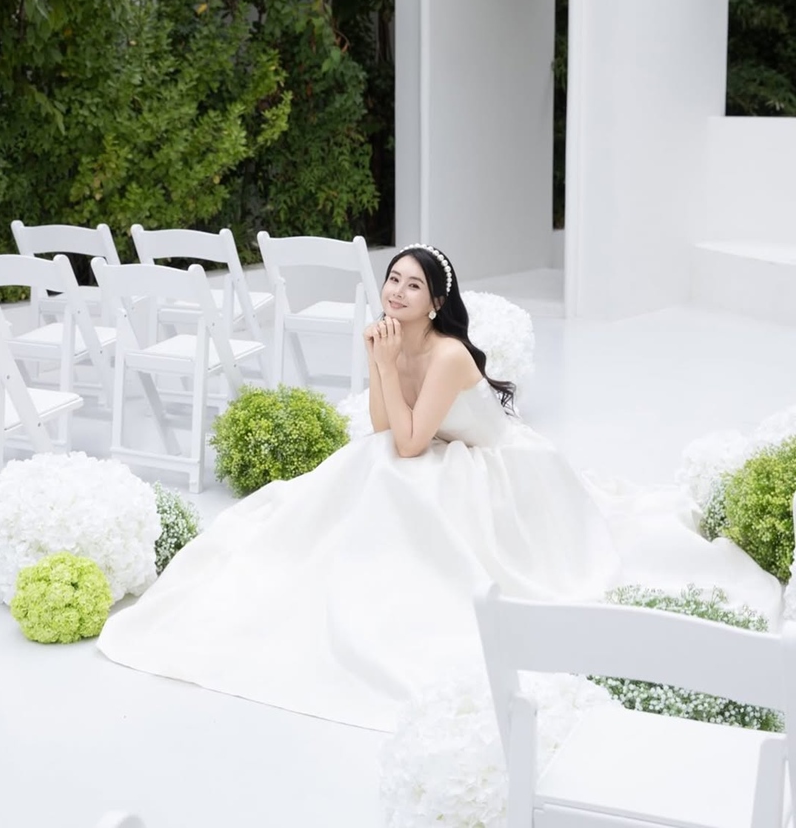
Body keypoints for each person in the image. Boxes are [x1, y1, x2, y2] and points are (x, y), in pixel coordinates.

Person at [99, 244, 783, 731]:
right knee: (367, 470)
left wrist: (386, 365)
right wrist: (381, 362)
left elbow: (408, 441)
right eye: (392, 279)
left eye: (413, 286)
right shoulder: (392, 336)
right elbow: (381, 427)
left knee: (397, 475)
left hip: (497, 465)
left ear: (437, 302)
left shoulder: (450, 354)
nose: (397, 292)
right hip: (434, 446)